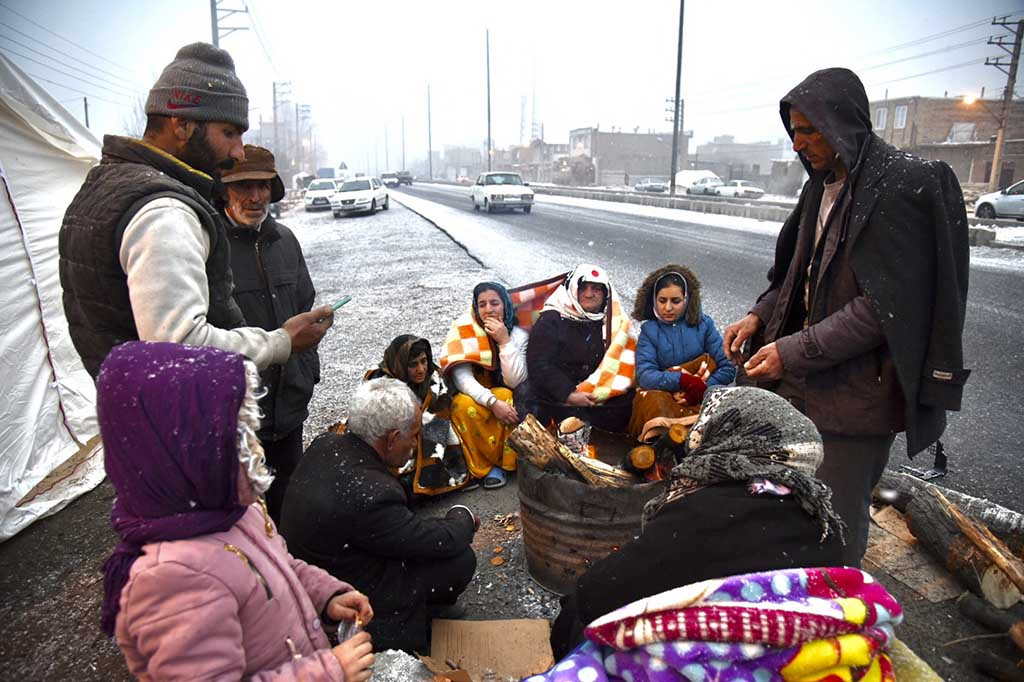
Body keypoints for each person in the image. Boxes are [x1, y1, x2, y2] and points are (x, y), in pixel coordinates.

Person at [722, 68, 970, 567]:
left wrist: (790, 351)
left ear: (843, 123)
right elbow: (799, 275)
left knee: (836, 516)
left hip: (859, 394)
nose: (799, 143)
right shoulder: (820, 188)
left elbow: (883, 309)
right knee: (792, 499)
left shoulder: (904, 184)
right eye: (793, 131)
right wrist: (759, 315)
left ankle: (838, 617)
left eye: (810, 130)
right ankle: (795, 594)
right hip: (806, 381)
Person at [99, 341, 374, 682]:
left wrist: (325, 595)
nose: (257, 450)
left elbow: (279, 567)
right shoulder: (172, 579)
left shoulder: (235, 511)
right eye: (238, 439)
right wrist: (328, 672)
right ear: (183, 456)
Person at [59, 42, 332, 379]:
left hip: (132, 409)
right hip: (173, 420)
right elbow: (181, 348)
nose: (239, 153)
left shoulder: (107, 185)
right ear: (182, 124)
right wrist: (280, 342)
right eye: (229, 133)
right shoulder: (164, 213)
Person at [550, 386, 845, 658]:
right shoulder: (823, 522)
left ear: (730, 435)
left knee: (574, 617)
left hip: (711, 661)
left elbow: (598, 596)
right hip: (786, 660)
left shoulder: (705, 514)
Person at [280, 378, 479, 653]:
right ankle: (411, 622)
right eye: (414, 436)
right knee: (460, 559)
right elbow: (430, 541)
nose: (415, 444)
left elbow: (401, 528)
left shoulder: (325, 444)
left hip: (320, 573)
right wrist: (462, 517)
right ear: (392, 439)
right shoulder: (372, 493)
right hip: (344, 596)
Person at [220, 144, 320, 523]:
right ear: (224, 190)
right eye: (243, 186)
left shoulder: (286, 241)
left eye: (263, 186)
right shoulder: (212, 248)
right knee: (245, 513)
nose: (255, 196)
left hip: (289, 407)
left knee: (288, 505)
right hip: (240, 413)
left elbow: (305, 307)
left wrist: (307, 373)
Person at [439, 282, 529, 490]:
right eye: (482, 304)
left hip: (501, 392)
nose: (488, 310)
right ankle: (478, 467)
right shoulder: (464, 330)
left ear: (506, 306)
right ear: (475, 307)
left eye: (495, 303)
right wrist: (491, 402)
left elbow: (515, 381)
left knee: (508, 396)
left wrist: (504, 341)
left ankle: (502, 465)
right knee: (461, 405)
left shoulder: (518, 335)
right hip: (474, 395)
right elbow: (462, 379)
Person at [629, 265, 735, 438]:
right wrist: (683, 381)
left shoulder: (704, 325)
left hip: (701, 393)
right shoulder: (649, 331)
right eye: (662, 301)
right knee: (652, 403)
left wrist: (702, 389)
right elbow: (646, 375)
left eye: (675, 301)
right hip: (665, 395)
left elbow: (728, 367)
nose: (668, 308)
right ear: (654, 300)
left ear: (686, 300)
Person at [527, 264, 634, 433]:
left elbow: (620, 363)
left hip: (592, 396)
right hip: (557, 396)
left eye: (596, 289)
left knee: (628, 401)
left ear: (606, 294)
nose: (589, 294)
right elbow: (539, 364)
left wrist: (598, 391)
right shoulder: (552, 319)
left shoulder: (611, 323)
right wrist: (569, 394)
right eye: (583, 287)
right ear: (572, 288)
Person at [366, 334, 469, 495]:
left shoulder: (434, 379)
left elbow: (440, 410)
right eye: (413, 365)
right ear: (400, 365)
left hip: (425, 434)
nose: (421, 370)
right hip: (395, 442)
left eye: (423, 361)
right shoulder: (380, 385)